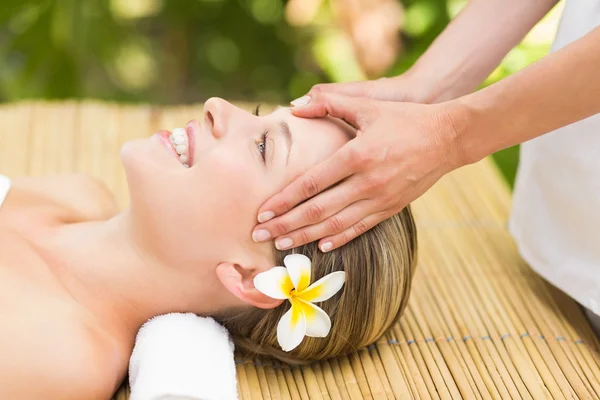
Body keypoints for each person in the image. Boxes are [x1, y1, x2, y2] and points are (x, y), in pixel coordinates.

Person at [0, 98, 417, 399]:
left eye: (263, 147)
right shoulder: (76, 195)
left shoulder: (63, 359)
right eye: (257, 118)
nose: (217, 106)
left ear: (251, 276)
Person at [251, 1, 600, 333]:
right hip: (557, 244)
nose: (216, 107)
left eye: (264, 147)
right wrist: (426, 87)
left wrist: (454, 134)